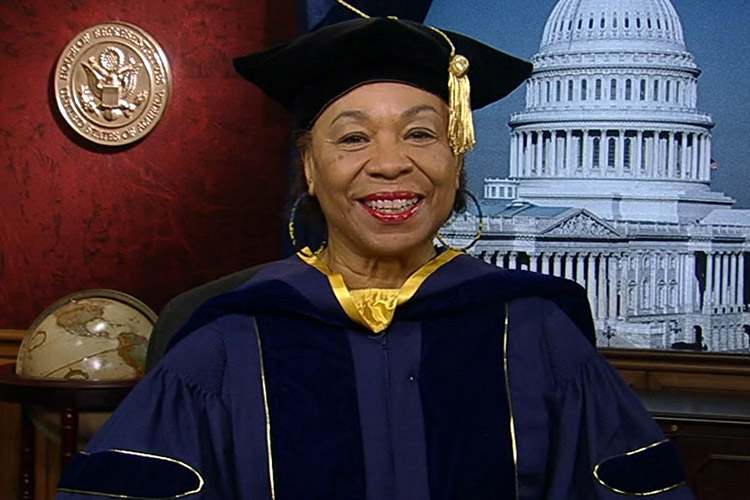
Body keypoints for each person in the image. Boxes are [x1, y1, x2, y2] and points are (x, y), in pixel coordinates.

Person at [55, 13, 695, 500]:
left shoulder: (536, 334)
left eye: (422, 133)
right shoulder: (224, 343)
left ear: (457, 157)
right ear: (309, 167)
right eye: (353, 137)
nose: (391, 163)